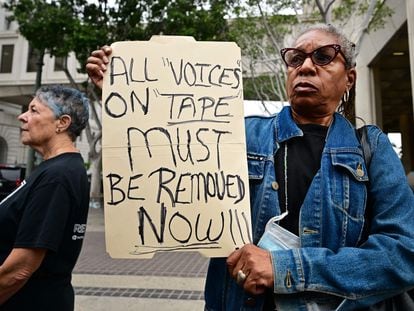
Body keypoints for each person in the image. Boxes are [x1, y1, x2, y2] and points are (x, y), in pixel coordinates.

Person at [85, 23, 414, 310]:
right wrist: (127, 97)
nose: (306, 67)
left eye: (324, 56)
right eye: (295, 58)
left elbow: (403, 254)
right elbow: (167, 163)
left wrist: (286, 267)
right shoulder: (237, 134)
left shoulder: (370, 148)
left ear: (350, 79)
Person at [0, 85, 90, 310]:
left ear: (62, 123)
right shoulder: (58, 170)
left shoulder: (57, 176)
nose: (23, 116)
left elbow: (21, 268)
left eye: (33, 110)